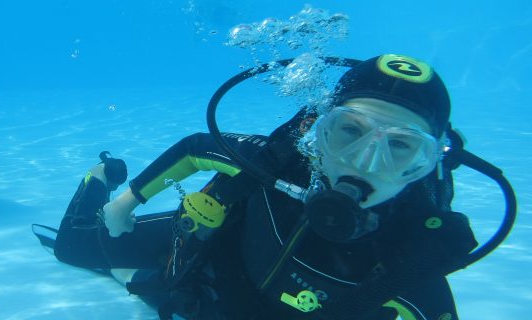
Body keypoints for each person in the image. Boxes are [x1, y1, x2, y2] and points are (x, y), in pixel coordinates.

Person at [43, 54, 490, 319]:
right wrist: (125, 202)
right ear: (318, 130)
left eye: (400, 147)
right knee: (73, 250)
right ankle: (99, 178)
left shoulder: (414, 259)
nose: (365, 165)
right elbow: (199, 147)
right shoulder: (281, 162)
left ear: (428, 164)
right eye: (348, 132)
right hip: (211, 255)